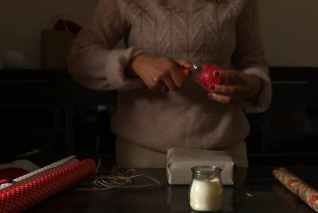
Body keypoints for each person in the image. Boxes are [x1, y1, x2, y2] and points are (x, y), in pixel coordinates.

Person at [68, 0, 272, 168]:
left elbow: (252, 58)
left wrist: (254, 83)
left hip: (225, 156)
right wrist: (134, 63)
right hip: (143, 159)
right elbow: (81, 57)